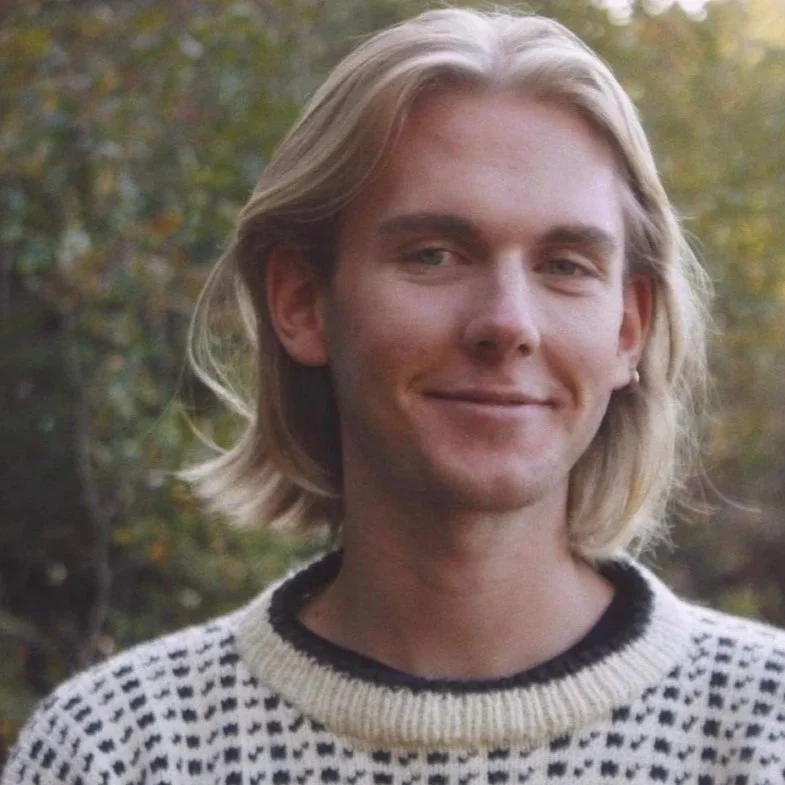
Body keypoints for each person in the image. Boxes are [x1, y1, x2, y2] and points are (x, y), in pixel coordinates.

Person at [4, 7, 785, 785]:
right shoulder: (122, 750)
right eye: (434, 254)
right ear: (303, 300)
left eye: (565, 265)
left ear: (627, 328)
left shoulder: (761, 731)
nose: (507, 323)